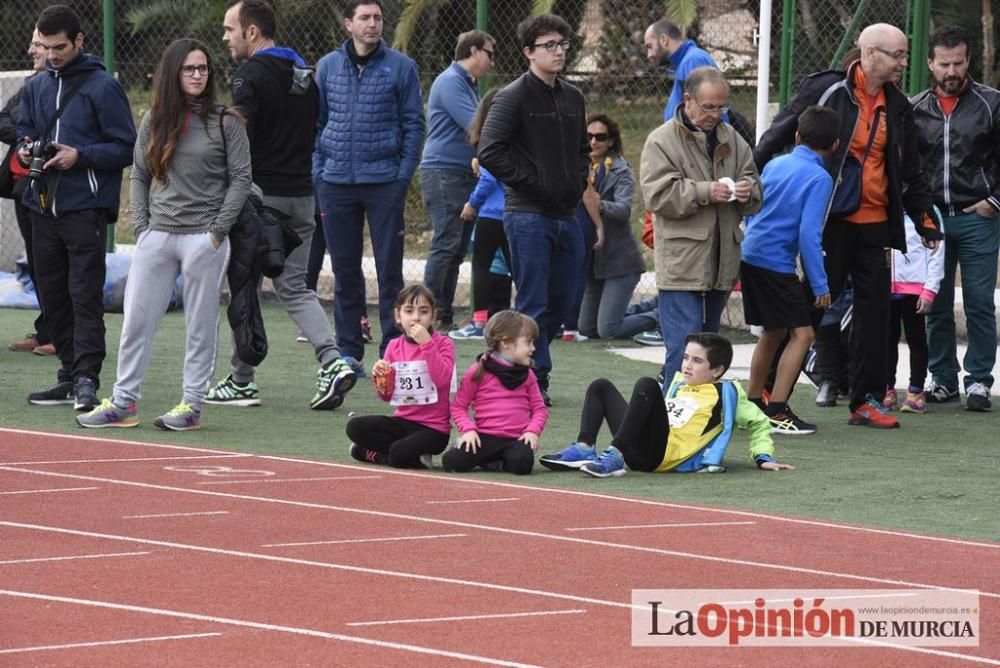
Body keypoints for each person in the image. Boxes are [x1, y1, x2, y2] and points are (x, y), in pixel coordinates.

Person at [755, 23, 943, 429]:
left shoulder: (899, 107)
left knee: (876, 315)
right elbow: (782, 130)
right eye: (897, 55)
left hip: (876, 225)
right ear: (869, 53)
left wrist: (925, 220)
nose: (903, 63)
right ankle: (766, 393)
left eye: (905, 55)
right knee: (809, 305)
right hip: (830, 222)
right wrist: (752, 176)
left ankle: (866, 400)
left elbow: (910, 170)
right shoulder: (827, 90)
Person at [76, 39, 251, 431]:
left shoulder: (227, 121)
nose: (197, 75)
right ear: (173, 73)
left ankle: (191, 405)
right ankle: (123, 403)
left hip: (204, 238)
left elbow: (241, 179)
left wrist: (218, 231)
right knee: (136, 320)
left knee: (200, 325)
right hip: (158, 234)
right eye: (189, 69)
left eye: (203, 68)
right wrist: (141, 226)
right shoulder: (154, 118)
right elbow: (138, 173)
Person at [207, 0, 357, 411]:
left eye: (229, 29)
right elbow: (318, 124)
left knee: (245, 288)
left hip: (259, 200)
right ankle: (330, 359)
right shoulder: (304, 73)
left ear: (252, 32)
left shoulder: (250, 73)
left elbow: (238, 127)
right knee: (293, 286)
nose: (225, 37)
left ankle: (241, 382)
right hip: (303, 198)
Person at [18, 4, 136, 412]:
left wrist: (79, 155)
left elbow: (126, 147)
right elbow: (22, 133)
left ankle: (87, 378)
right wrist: (28, 148)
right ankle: (68, 375)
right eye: (45, 47)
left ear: (80, 41)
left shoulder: (103, 87)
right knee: (52, 296)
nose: (52, 54)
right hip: (40, 206)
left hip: (84, 208)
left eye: (60, 47)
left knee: (84, 295)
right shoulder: (36, 86)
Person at [478, 13, 589, 406]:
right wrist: (531, 181)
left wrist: (577, 182)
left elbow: (582, 151)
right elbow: (489, 149)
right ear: (528, 52)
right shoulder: (513, 96)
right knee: (533, 301)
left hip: (566, 213)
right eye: (549, 46)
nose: (558, 52)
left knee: (563, 298)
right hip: (526, 213)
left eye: (562, 44)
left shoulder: (574, 96)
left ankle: (524, 366)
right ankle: (532, 376)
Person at [313, 0, 424, 367]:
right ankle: (348, 351)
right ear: (349, 24)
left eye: (377, 17)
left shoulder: (401, 67)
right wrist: (319, 171)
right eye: (365, 18)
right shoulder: (327, 67)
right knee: (344, 272)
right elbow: (316, 124)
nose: (373, 24)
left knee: (389, 272)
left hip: (384, 184)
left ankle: (392, 351)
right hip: (335, 182)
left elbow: (413, 125)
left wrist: (401, 177)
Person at [639, 66, 761, 385]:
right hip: (682, 265)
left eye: (722, 107)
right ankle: (668, 421)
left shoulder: (733, 138)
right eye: (709, 106)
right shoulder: (661, 141)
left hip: (722, 262)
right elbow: (658, 195)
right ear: (688, 100)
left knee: (708, 353)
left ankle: (698, 419)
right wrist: (707, 191)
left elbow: (754, 185)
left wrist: (746, 189)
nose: (716, 114)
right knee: (684, 352)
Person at [539, 332, 794, 477]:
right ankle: (585, 447)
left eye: (696, 361)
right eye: (685, 358)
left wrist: (763, 457)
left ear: (717, 370)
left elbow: (759, 422)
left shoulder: (727, 393)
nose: (687, 365)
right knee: (601, 386)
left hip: (661, 456)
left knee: (647, 385)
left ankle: (615, 455)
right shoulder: (679, 383)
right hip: (639, 446)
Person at [911, 25, 1000, 412]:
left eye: (958, 63)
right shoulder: (913, 110)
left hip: (978, 216)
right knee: (936, 303)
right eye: (944, 63)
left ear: (968, 62)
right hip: (932, 221)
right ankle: (942, 378)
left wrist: (993, 202)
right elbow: (906, 167)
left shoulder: (992, 104)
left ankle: (979, 380)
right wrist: (917, 213)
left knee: (981, 302)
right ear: (930, 64)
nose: (952, 71)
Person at [741, 105, 838, 435]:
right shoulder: (820, 177)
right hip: (775, 263)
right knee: (804, 333)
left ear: (797, 136)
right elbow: (809, 234)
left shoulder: (776, 163)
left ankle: (753, 403)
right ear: (835, 145)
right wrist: (820, 283)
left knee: (774, 330)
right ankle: (778, 410)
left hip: (751, 253)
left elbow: (755, 208)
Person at [421, 29, 495, 330]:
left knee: (455, 247)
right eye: (489, 53)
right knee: (447, 243)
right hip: (445, 172)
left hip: (458, 173)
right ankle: (427, 313)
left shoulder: (466, 84)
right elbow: (477, 126)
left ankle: (442, 316)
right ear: (474, 51)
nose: (492, 60)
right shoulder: (452, 82)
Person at [346, 285, 455, 469]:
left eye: (424, 311)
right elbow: (386, 396)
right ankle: (409, 456)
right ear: (398, 316)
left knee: (398, 453)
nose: (416, 317)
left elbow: (442, 380)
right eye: (409, 311)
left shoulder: (444, 344)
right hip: (402, 422)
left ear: (433, 316)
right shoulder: (394, 346)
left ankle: (372, 453)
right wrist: (380, 378)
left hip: (434, 429)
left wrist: (427, 344)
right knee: (354, 427)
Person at [575, 113, 654, 340]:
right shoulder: (579, 166)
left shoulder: (620, 170)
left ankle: (659, 316)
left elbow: (623, 210)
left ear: (610, 141)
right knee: (587, 329)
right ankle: (645, 309)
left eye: (600, 137)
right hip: (594, 261)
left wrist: (598, 205)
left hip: (620, 261)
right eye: (589, 136)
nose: (593, 142)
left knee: (608, 330)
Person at [444, 310, 548, 474]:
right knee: (452, 462)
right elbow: (458, 406)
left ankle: (495, 463)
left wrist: (532, 431)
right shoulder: (478, 371)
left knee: (522, 464)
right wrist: (468, 430)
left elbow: (539, 409)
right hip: (482, 437)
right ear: (505, 342)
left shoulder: (528, 375)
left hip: (515, 439)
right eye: (528, 342)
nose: (533, 348)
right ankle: (484, 458)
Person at [2, 30, 53, 356]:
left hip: (51, 185)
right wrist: (26, 134)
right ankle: (46, 329)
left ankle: (61, 334)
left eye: (37, 43)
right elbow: (4, 119)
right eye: (33, 42)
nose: (30, 49)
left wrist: (30, 131)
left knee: (52, 261)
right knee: (36, 261)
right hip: (23, 186)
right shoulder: (31, 84)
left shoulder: (71, 87)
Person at [451, 88, 510, 340]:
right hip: (513, 210)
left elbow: (487, 179)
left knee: (481, 265)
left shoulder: (490, 138)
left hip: (492, 213)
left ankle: (479, 322)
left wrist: (472, 203)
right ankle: (521, 318)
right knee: (514, 266)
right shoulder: (515, 137)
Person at [883, 213, 945, 414]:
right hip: (885, 288)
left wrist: (930, 290)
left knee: (916, 338)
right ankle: (886, 389)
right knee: (886, 339)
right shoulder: (883, 209)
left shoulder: (927, 212)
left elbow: (937, 255)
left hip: (915, 290)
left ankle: (916, 391)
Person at [643, 19, 724, 122]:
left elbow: (704, 116)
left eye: (650, 46)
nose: (649, 55)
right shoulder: (686, 62)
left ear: (664, 39)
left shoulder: (693, 61)